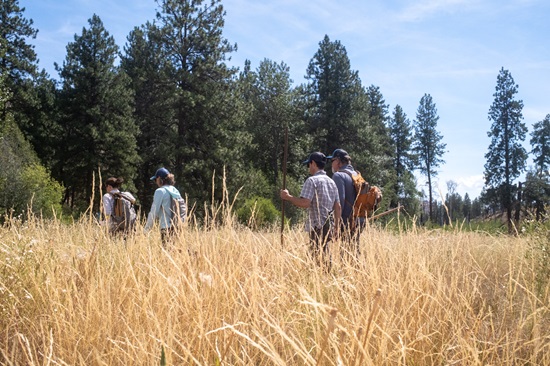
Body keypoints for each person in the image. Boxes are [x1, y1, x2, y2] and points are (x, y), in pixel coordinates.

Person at [280, 152, 341, 270]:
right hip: (329, 225)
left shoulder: (312, 181)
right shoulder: (331, 182)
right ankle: (326, 277)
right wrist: (337, 228)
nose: (308, 167)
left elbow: (305, 203)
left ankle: (321, 279)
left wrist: (288, 197)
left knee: (317, 256)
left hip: (317, 225)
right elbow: (338, 207)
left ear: (313, 163)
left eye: (309, 164)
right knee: (324, 252)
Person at [327, 148, 365, 259]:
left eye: (332, 160)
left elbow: (340, 203)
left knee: (347, 255)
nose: (331, 164)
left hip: (348, 221)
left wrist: (336, 226)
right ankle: (358, 273)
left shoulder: (338, 176)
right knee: (353, 249)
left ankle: (353, 274)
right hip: (360, 219)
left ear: (338, 161)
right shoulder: (357, 174)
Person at [144, 167, 184, 247]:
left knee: (168, 253)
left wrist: (146, 229)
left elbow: (153, 212)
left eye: (155, 180)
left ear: (159, 178)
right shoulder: (175, 190)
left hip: (166, 227)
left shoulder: (160, 191)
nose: (156, 182)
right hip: (178, 227)